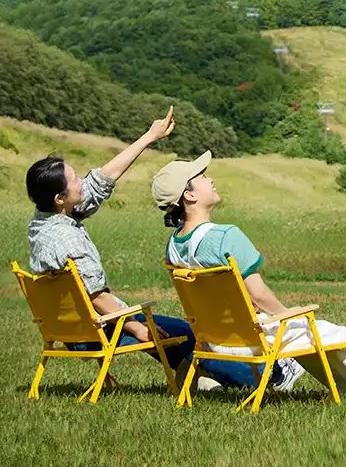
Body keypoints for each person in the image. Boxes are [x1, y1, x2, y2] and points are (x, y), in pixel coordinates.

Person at [24, 108, 302, 391]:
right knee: (186, 336)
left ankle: (200, 378)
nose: (81, 180)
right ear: (60, 198)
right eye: (74, 180)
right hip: (94, 328)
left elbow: (101, 181)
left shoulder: (46, 220)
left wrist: (150, 136)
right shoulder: (66, 239)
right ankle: (271, 378)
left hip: (71, 325)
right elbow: (95, 295)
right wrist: (136, 327)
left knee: (178, 331)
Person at [152, 152, 346, 400]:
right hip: (254, 341)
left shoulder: (173, 247)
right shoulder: (225, 237)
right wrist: (287, 315)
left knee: (320, 337)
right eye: (202, 177)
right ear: (189, 196)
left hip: (218, 343)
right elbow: (258, 295)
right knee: (342, 336)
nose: (211, 179)